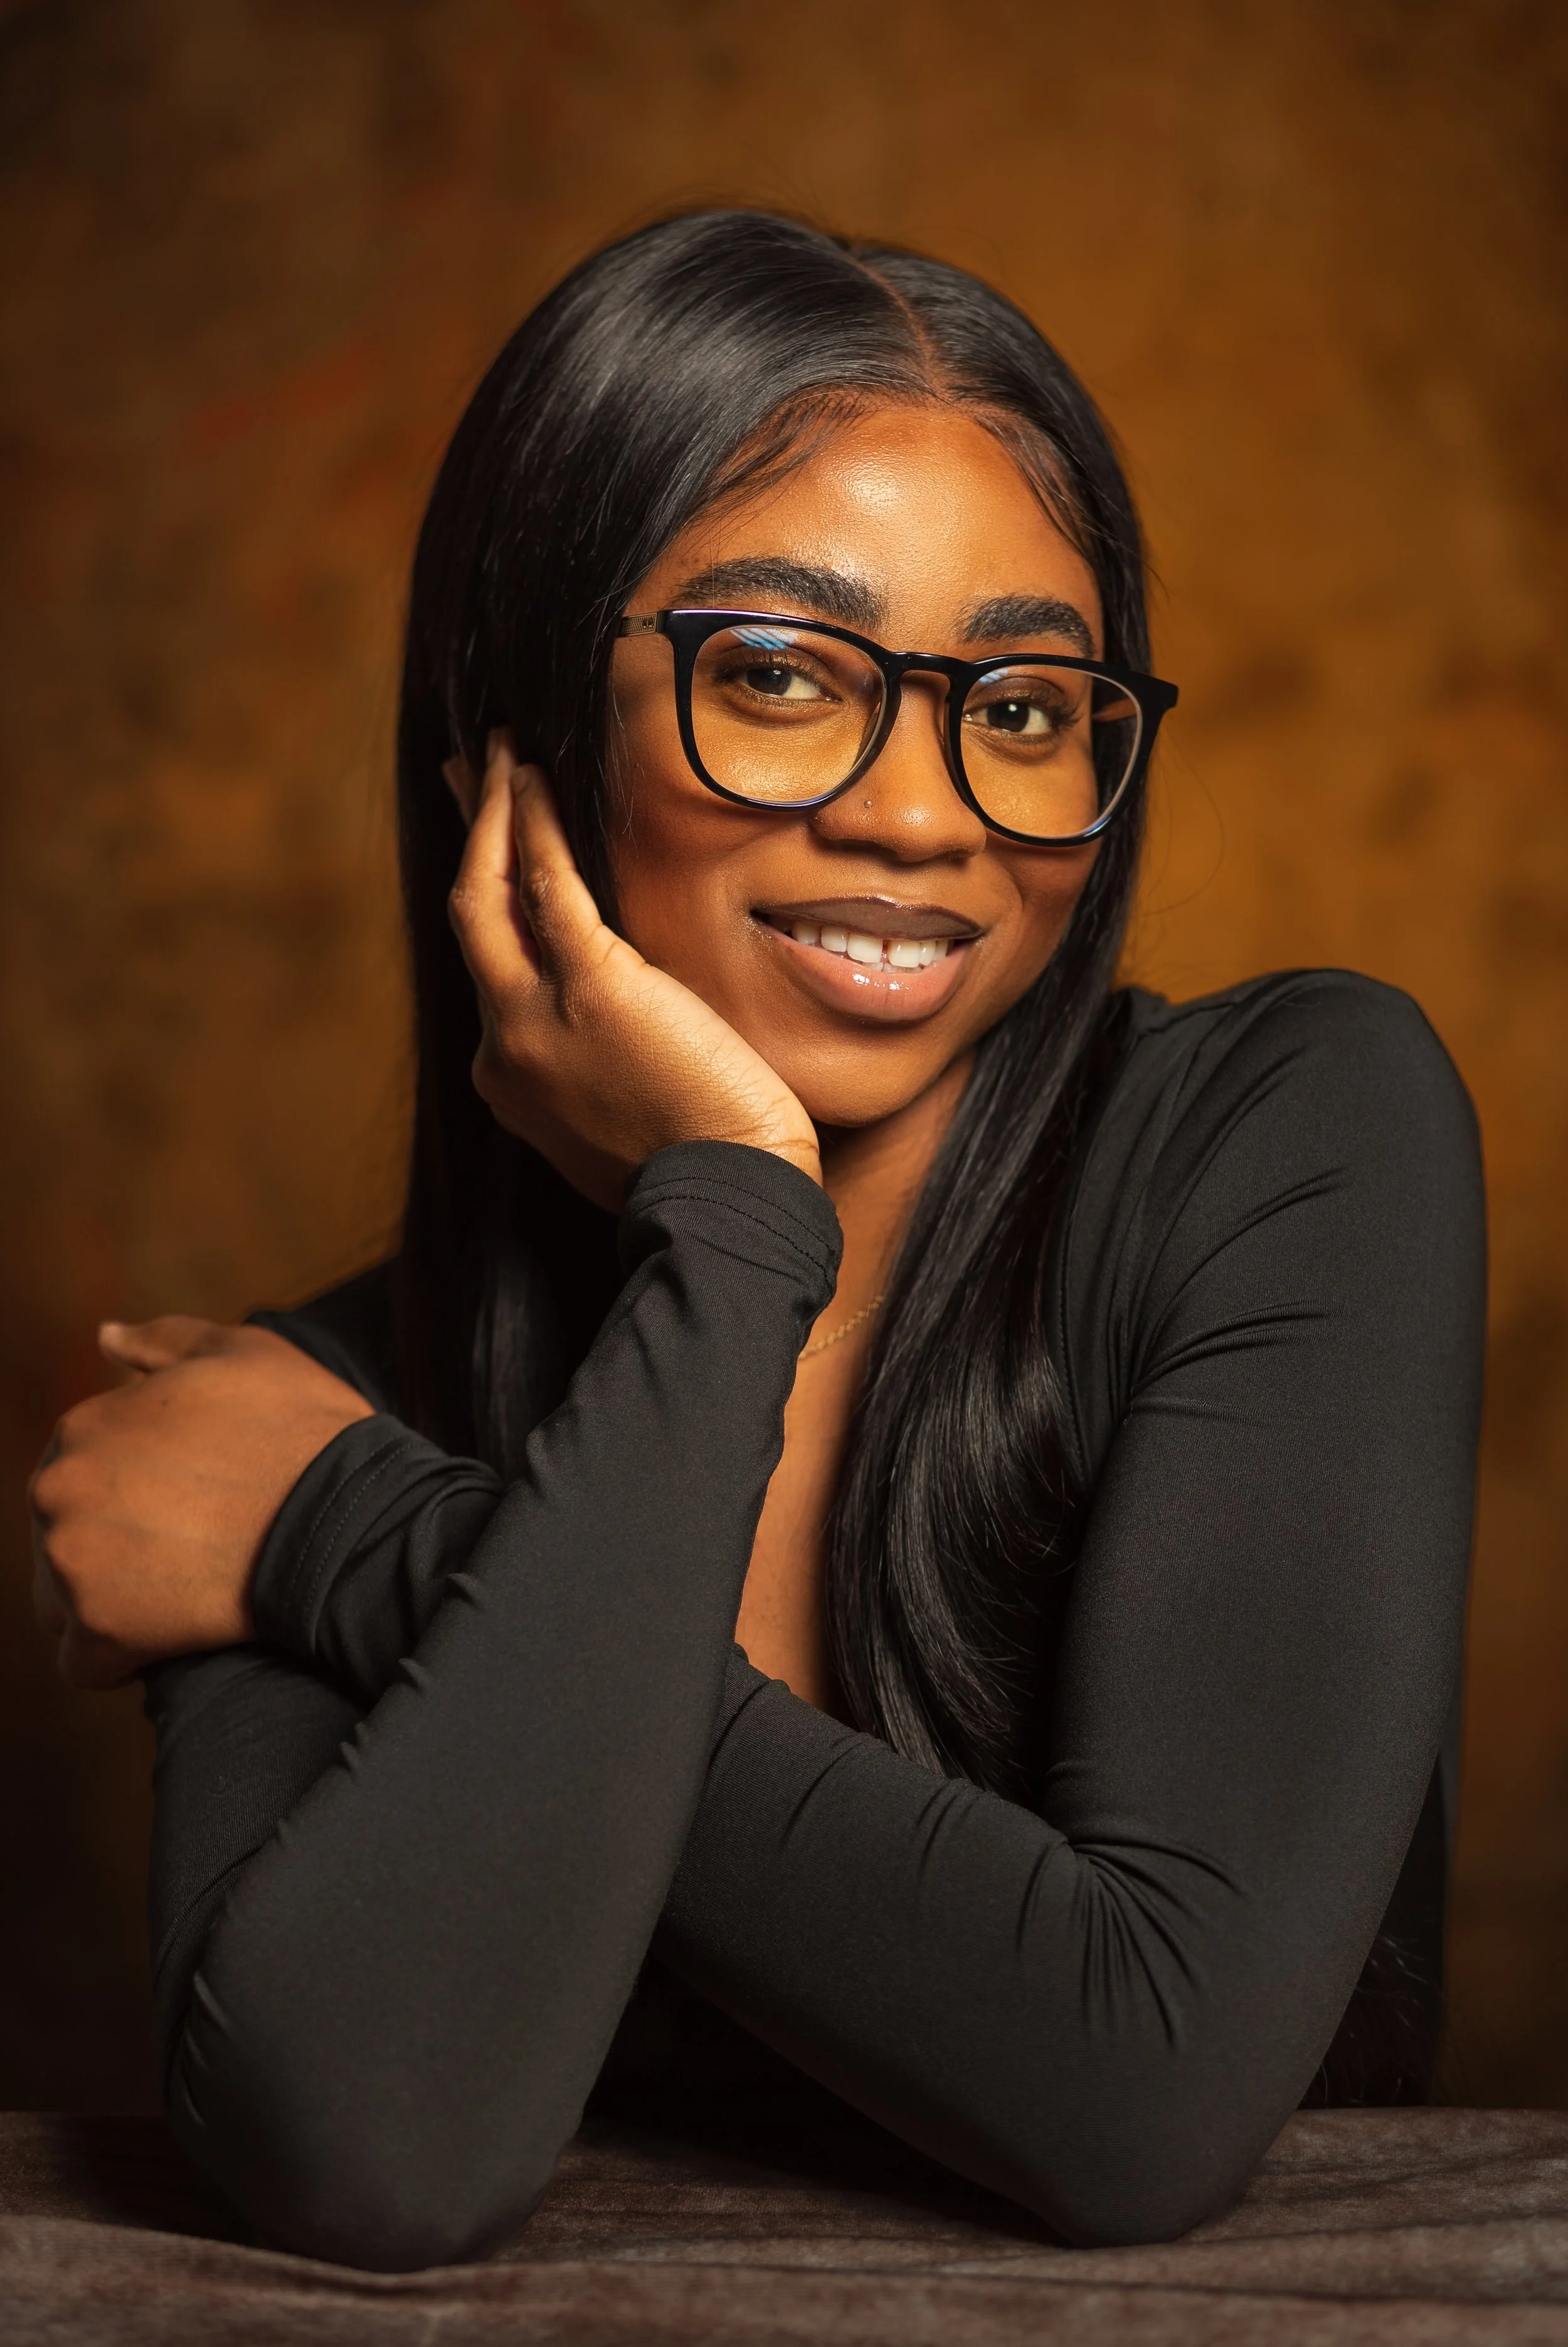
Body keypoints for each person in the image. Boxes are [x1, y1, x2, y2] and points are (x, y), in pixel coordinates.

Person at [28, 210, 1485, 2272]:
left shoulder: (1285, 1134)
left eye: (1026, 699)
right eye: (780, 675)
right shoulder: (328, 1388)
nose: (921, 812)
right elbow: (375, 2151)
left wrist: (360, 1542)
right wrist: (734, 1238)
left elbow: (1139, 2080)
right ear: (512, 741)